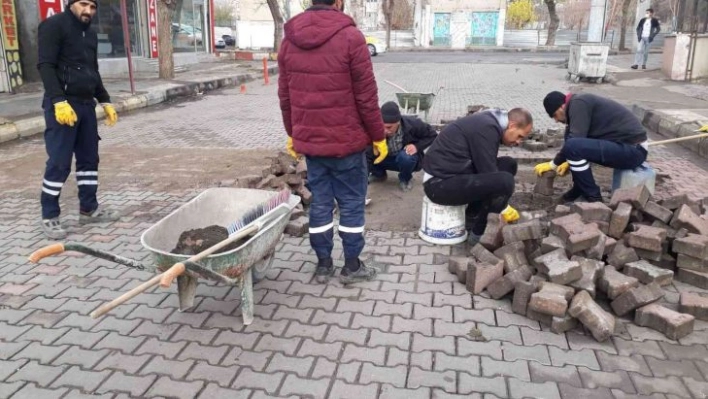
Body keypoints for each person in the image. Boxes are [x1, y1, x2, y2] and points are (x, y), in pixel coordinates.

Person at [278, 0, 387, 284]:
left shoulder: (289, 41)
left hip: (313, 146)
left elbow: (285, 95)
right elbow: (366, 96)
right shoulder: (351, 37)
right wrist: (378, 135)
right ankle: (351, 265)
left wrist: (293, 133)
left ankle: (323, 265)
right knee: (351, 203)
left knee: (321, 205)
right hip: (347, 144)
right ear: (337, 1)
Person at [37, 0, 120, 239]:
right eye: (84, 4)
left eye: (93, 7)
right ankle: (49, 215)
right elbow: (45, 65)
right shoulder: (53, 26)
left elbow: (92, 69)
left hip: (86, 106)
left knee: (88, 160)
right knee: (59, 163)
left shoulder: (90, 34)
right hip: (63, 106)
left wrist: (105, 100)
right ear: (71, 4)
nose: (88, 11)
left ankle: (89, 209)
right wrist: (57, 101)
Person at [422, 108, 531, 245]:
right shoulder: (487, 128)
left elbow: (486, 168)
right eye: (520, 136)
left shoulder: (490, 122)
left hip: (455, 174)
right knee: (504, 182)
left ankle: (472, 217)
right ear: (512, 126)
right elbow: (490, 175)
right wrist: (504, 207)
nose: (518, 142)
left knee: (508, 165)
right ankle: (479, 235)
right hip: (438, 184)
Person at [535, 91, 648, 203]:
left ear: (562, 106)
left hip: (633, 150)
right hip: (623, 147)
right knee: (570, 141)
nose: (556, 120)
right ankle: (579, 188)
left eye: (554, 115)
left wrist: (553, 164)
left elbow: (575, 142)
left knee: (573, 146)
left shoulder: (579, 103)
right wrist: (568, 161)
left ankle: (593, 197)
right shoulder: (577, 105)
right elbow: (574, 140)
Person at [367, 102, 437, 192]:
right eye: (382, 127)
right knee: (363, 151)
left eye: (389, 127)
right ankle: (378, 174)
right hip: (382, 159)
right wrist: (362, 179)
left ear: (398, 122)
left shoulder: (414, 124)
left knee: (407, 157)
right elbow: (366, 154)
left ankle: (405, 179)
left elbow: (433, 135)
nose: (385, 131)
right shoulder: (374, 127)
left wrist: (417, 146)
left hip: (402, 159)